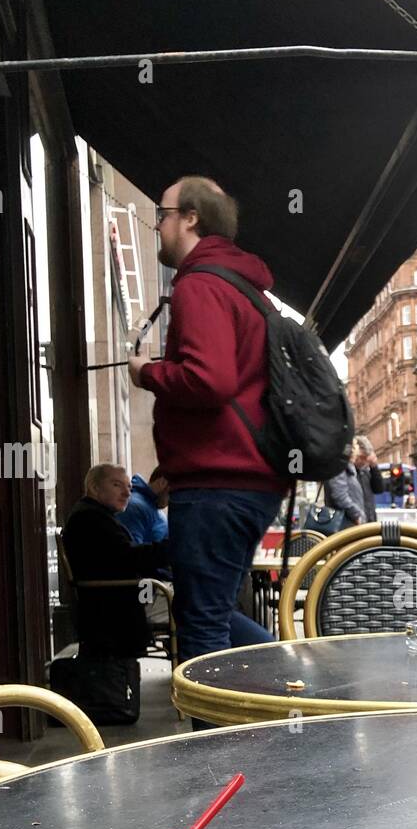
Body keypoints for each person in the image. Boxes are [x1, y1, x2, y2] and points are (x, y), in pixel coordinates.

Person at [128, 175, 287, 663]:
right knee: (212, 616)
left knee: (201, 626)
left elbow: (209, 379)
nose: (156, 226)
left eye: (162, 214)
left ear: (191, 217)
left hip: (217, 482)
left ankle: (222, 738)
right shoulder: (243, 287)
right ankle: (291, 693)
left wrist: (148, 372)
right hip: (247, 480)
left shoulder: (200, 285)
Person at [62, 464, 170, 657]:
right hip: (117, 609)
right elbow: (130, 558)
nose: (127, 493)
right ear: (95, 488)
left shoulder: (95, 515)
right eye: (117, 485)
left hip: (117, 602)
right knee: (194, 602)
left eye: (128, 487)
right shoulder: (90, 519)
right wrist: (172, 548)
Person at [119, 466, 169, 546]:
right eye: (176, 493)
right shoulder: (135, 508)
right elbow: (131, 553)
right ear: (162, 482)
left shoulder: (152, 509)